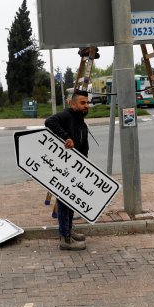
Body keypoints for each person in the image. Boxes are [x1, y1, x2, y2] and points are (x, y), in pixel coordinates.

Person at [44, 89, 90, 251]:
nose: (86, 106)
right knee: (65, 200)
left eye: (87, 102)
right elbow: (49, 122)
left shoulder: (79, 119)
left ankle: (68, 231)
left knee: (70, 199)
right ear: (72, 103)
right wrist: (66, 137)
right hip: (65, 168)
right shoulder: (67, 115)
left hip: (76, 168)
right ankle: (65, 238)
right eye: (82, 103)